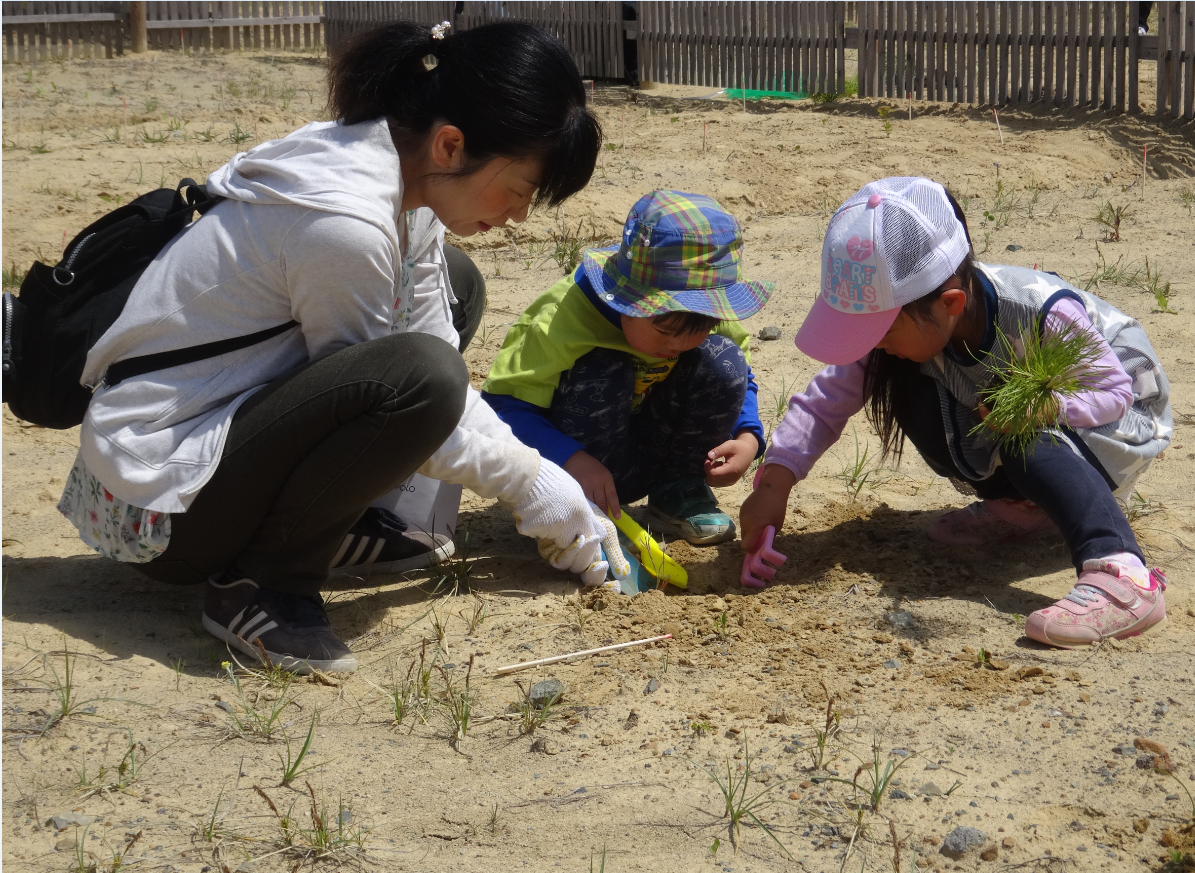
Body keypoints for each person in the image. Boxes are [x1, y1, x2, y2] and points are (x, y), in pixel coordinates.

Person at [55, 20, 626, 675]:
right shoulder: (344, 224)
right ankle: (260, 583)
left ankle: (329, 522)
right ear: (449, 145)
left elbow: (425, 343)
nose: (519, 215)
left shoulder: (395, 176)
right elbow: (415, 390)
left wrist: (533, 478)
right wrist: (535, 487)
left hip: (210, 438)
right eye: (520, 190)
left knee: (454, 294)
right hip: (157, 505)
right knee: (421, 380)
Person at [740, 176, 1171, 649]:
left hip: (1112, 423)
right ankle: (1027, 509)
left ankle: (1123, 574)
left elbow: (1114, 391)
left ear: (949, 304)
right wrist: (775, 483)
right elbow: (826, 401)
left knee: (1028, 437)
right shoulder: (912, 325)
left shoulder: (1038, 309)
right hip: (1036, 421)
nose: (871, 345)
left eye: (880, 331)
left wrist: (1048, 405)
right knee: (905, 388)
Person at [482, 191, 770, 555]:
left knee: (722, 357)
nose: (677, 345)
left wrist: (747, 436)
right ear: (624, 297)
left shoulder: (704, 323)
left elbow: (742, 375)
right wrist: (571, 459)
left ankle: (677, 491)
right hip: (576, 470)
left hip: (655, 454)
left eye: (696, 330)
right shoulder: (560, 319)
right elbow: (503, 409)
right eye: (664, 331)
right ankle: (578, 514)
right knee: (603, 368)